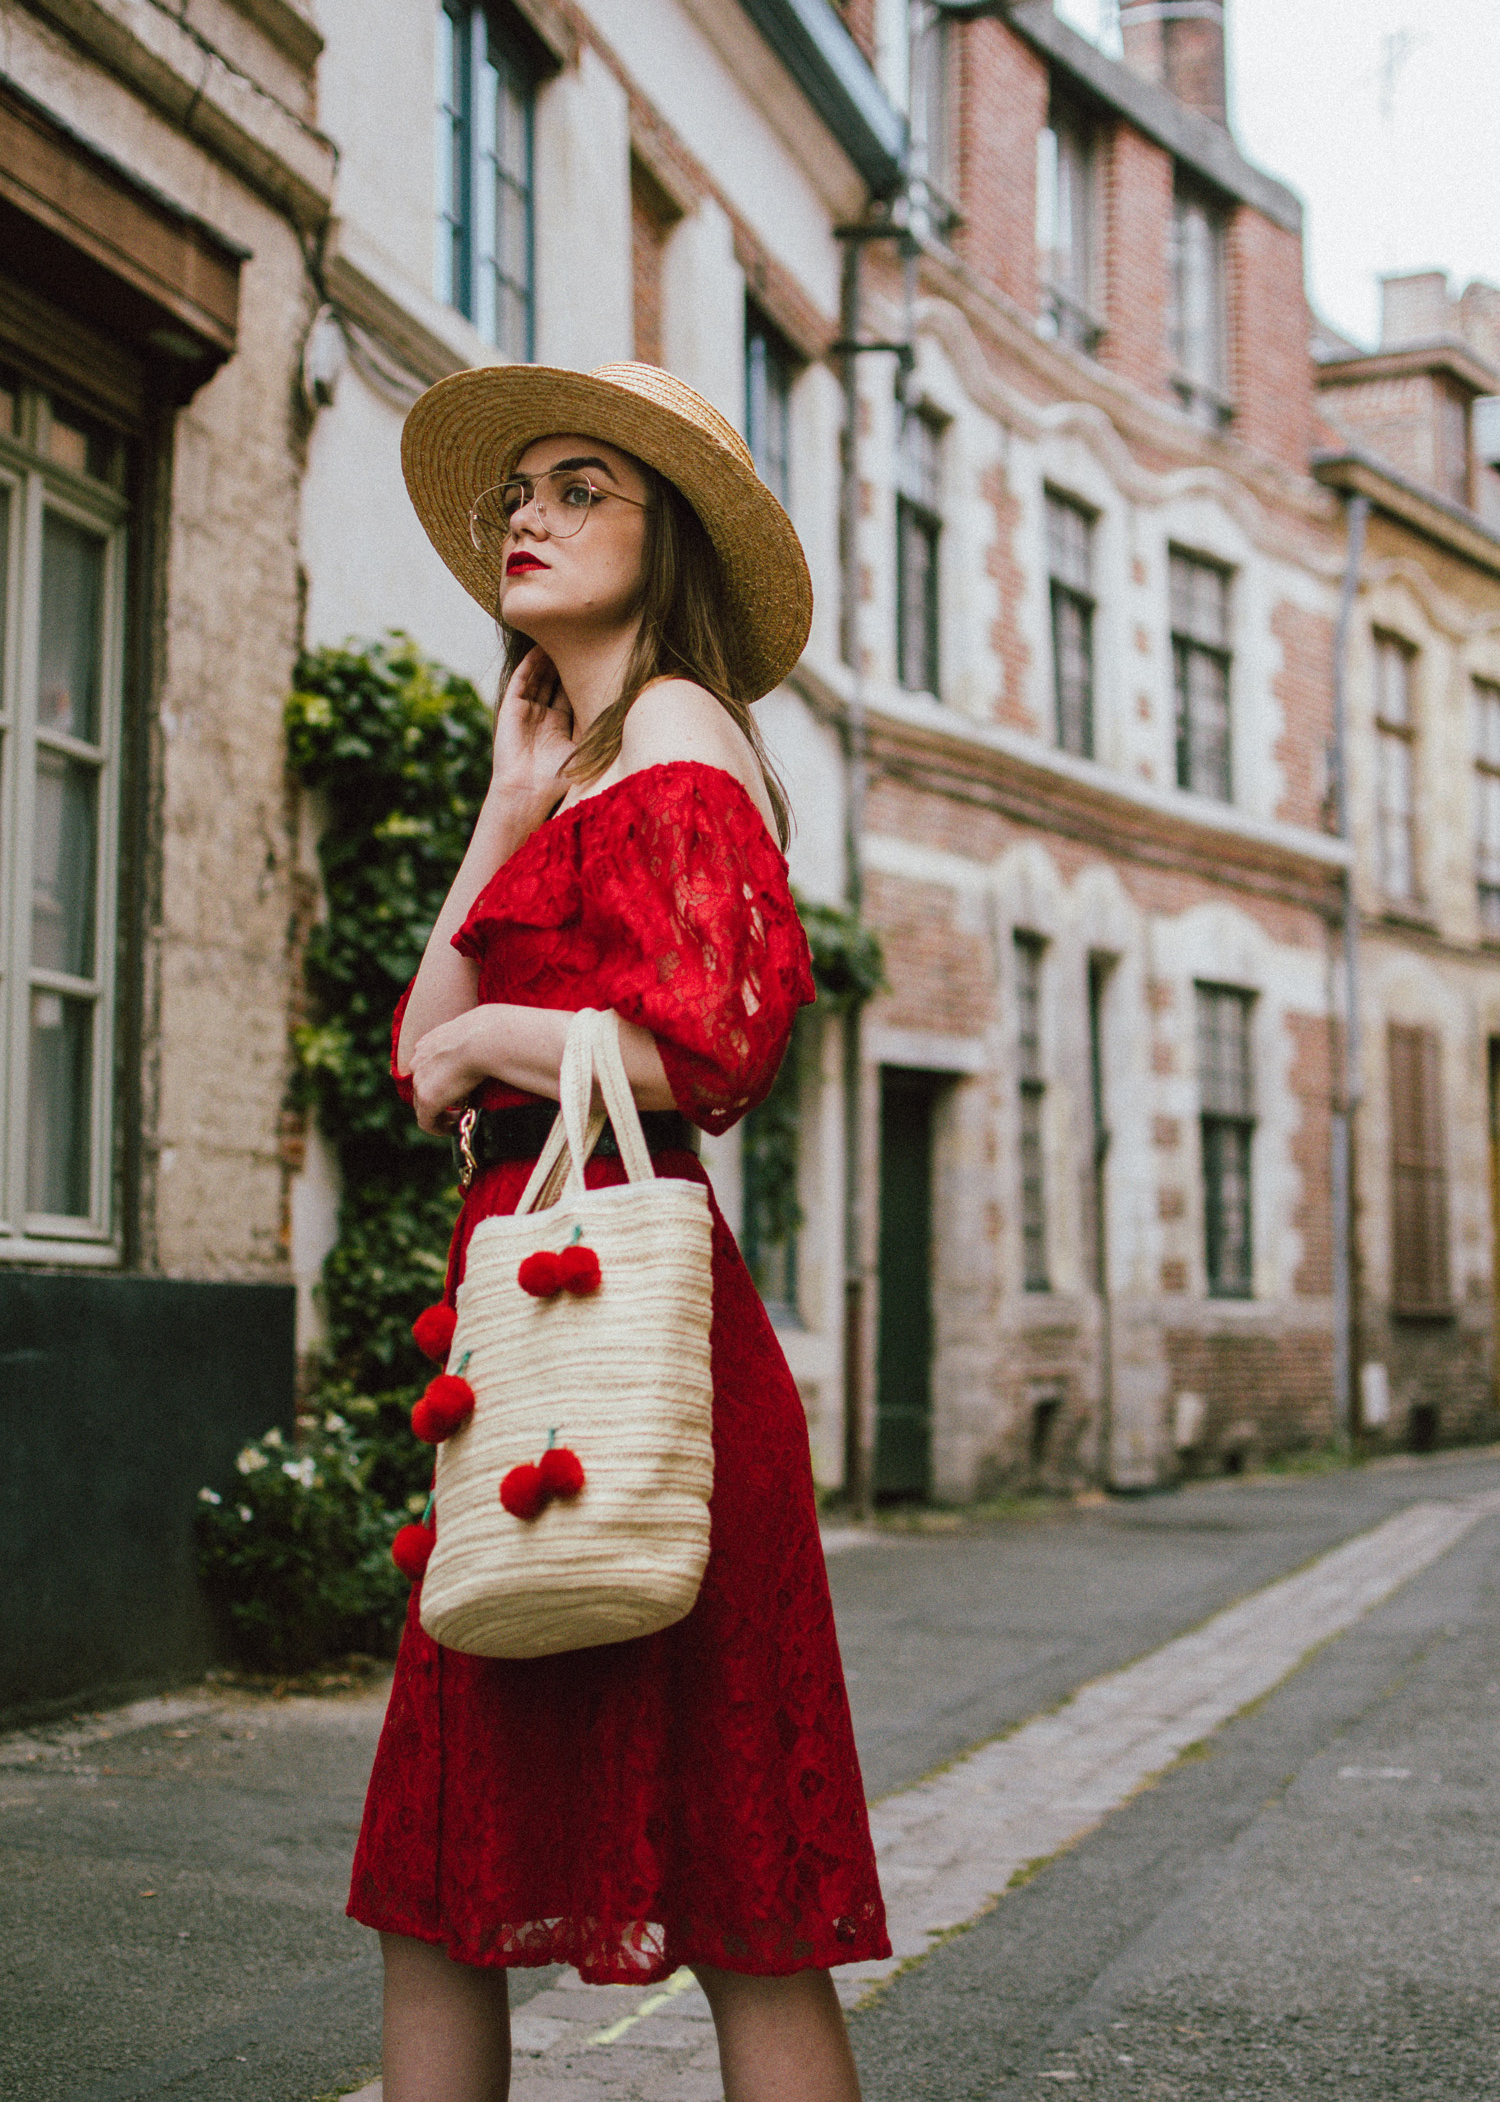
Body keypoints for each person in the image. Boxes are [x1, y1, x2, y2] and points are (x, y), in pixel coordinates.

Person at [347, 362, 889, 2102]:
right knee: (438, 1876)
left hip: (638, 1340)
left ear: (668, 545)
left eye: (581, 488)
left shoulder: (679, 734)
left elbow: (712, 1045)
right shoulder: (575, 769)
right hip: (526, 1349)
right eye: (521, 489)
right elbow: (414, 1050)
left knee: (742, 1890)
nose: (530, 514)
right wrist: (504, 809)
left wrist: (503, 1039)